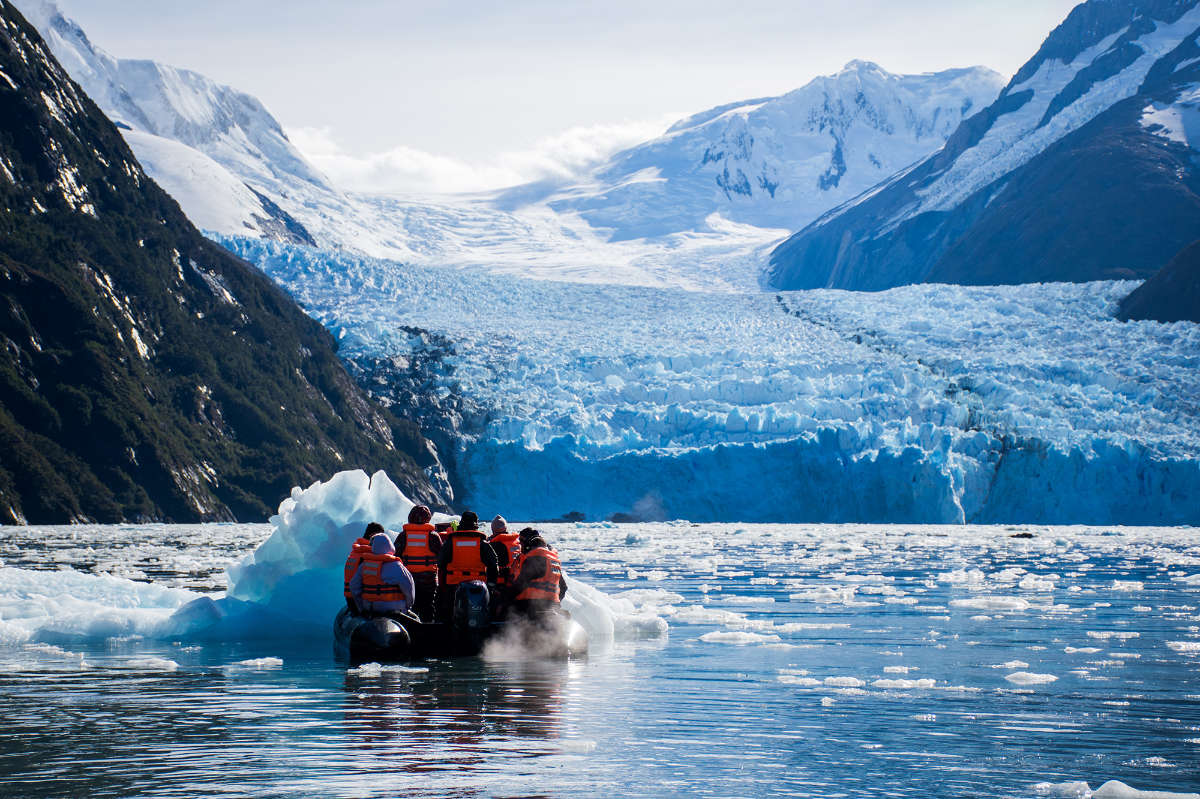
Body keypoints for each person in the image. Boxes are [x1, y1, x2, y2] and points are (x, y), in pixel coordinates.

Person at [435, 510, 498, 622]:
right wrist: (491, 585)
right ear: (476, 525)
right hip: (478, 588)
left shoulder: (451, 542)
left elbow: (440, 562)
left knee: (450, 617)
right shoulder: (482, 544)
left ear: (461, 524)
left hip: (453, 586)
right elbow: (493, 564)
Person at [350, 532, 416, 617]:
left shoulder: (364, 566)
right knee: (416, 618)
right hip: (394, 609)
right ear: (390, 547)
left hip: (371, 609)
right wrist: (408, 605)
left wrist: (361, 608)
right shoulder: (397, 566)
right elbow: (409, 586)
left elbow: (353, 586)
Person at [395, 505, 442, 622]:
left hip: (408, 579)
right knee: (428, 606)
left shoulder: (403, 536)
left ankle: (410, 631)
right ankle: (428, 630)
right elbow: (442, 557)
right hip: (428, 580)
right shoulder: (433, 536)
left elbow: (395, 557)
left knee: (411, 607)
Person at [506, 534, 568, 620]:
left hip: (529, 603)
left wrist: (506, 598)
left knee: (505, 610)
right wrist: (555, 602)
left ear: (531, 547)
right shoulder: (554, 562)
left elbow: (521, 583)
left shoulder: (535, 558)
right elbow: (564, 587)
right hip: (551, 604)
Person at [343, 522, 381, 612]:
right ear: (373, 535)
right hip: (360, 601)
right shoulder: (368, 555)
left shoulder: (355, 552)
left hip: (349, 599)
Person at [488, 515, 522, 592]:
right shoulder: (517, 542)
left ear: (493, 530)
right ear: (505, 528)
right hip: (515, 581)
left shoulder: (494, 545)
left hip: (500, 583)